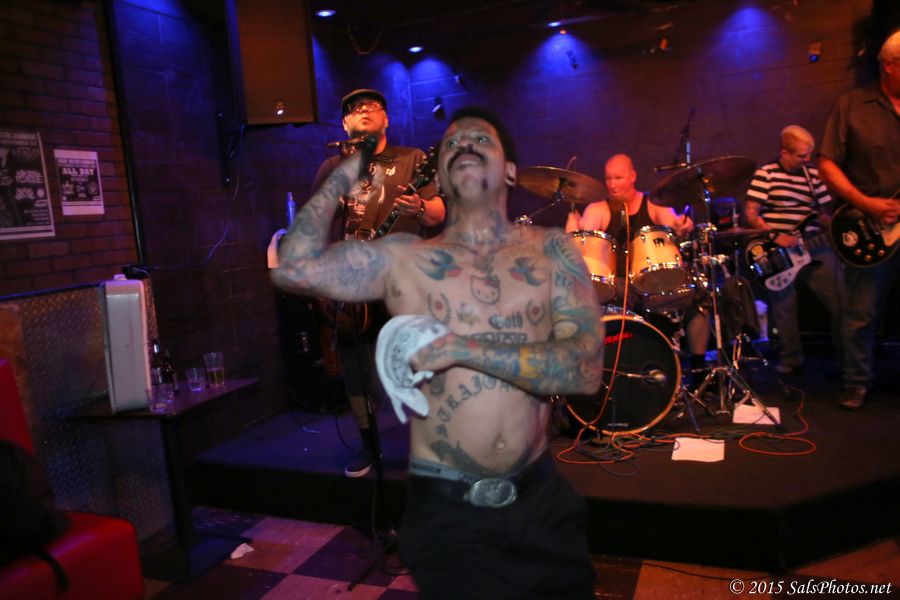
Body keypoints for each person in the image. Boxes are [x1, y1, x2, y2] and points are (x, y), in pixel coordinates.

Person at [274, 106, 603, 599]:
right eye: (452, 144)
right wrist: (342, 173)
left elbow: (583, 368)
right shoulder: (407, 259)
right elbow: (294, 268)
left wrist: (463, 348)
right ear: (440, 180)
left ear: (510, 171)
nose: (464, 147)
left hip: (534, 497)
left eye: (481, 141)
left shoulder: (554, 251)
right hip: (444, 505)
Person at [312, 89, 445, 477]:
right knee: (355, 366)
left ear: (386, 118)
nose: (364, 111)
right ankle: (369, 444)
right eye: (355, 109)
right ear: (345, 125)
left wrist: (419, 207)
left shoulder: (412, 160)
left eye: (373, 106)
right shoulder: (332, 167)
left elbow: (438, 213)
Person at [566, 154, 710, 384]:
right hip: (617, 285)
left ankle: (700, 371)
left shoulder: (653, 203)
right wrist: (573, 235)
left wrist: (681, 226)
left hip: (653, 281)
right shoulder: (598, 208)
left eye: (618, 178)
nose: (612, 184)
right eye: (608, 178)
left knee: (698, 299)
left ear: (633, 177)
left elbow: (672, 223)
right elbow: (584, 244)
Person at [818, 29, 900, 410]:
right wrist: (866, 203)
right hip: (870, 226)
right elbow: (827, 164)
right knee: (860, 311)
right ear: (890, 66)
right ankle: (856, 381)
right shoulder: (851, 105)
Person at [744, 125, 849, 377]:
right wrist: (774, 235)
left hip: (814, 245)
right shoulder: (766, 174)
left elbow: (826, 212)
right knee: (784, 308)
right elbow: (751, 213)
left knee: (842, 300)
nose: (807, 159)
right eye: (802, 155)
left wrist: (830, 223)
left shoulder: (812, 175)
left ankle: (849, 357)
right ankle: (791, 358)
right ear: (785, 153)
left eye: (809, 154)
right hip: (779, 251)